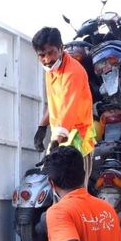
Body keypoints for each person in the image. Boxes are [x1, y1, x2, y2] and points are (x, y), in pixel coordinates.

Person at [31, 27, 96, 183]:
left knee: (76, 192)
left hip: (79, 140)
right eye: (42, 55)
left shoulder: (73, 72)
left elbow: (68, 108)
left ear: (61, 48)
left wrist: (54, 144)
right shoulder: (51, 71)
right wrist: (42, 127)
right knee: (56, 188)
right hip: (60, 138)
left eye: (51, 52)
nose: (47, 59)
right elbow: (55, 103)